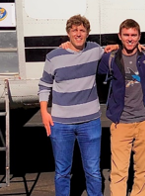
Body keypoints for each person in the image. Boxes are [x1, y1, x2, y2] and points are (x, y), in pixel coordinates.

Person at [38, 14, 103, 196]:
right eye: (74, 30)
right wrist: (44, 112)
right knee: (62, 172)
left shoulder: (95, 50)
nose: (78, 34)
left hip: (90, 121)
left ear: (88, 33)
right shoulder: (54, 56)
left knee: (93, 171)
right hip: (60, 124)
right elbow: (44, 85)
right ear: (68, 33)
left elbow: (116, 50)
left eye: (82, 30)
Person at [97, 19, 145, 196]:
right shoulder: (109, 58)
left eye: (133, 35)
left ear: (139, 37)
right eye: (126, 35)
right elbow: (99, 79)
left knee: (143, 171)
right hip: (121, 123)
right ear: (119, 36)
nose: (130, 39)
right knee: (118, 172)